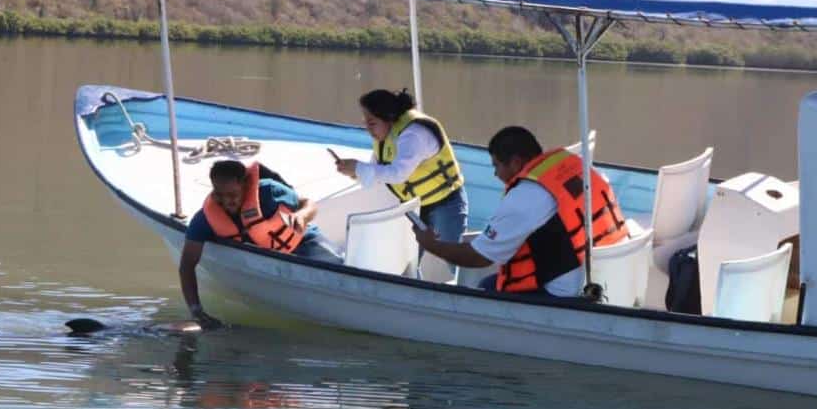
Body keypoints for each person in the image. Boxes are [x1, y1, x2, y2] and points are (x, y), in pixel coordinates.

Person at [414, 125, 628, 298]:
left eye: (497, 165)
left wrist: (431, 245)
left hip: (559, 294)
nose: (495, 174)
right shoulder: (571, 165)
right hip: (597, 279)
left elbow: (479, 257)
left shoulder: (524, 199)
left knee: (482, 291)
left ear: (516, 162)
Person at [179, 159, 342, 328]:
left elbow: (307, 203)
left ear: (244, 185)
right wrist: (196, 311)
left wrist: (302, 216)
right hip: (271, 262)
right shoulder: (205, 218)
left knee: (343, 269)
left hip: (304, 242)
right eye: (220, 195)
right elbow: (187, 265)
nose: (227, 201)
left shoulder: (269, 191)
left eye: (233, 195)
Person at [334, 88, 469, 246]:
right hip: (415, 206)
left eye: (372, 123)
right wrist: (354, 173)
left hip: (445, 203)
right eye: (366, 123)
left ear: (389, 118)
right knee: (410, 261)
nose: (368, 130)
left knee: (450, 256)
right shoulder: (384, 135)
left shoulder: (414, 134)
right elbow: (376, 171)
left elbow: (398, 173)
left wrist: (358, 168)